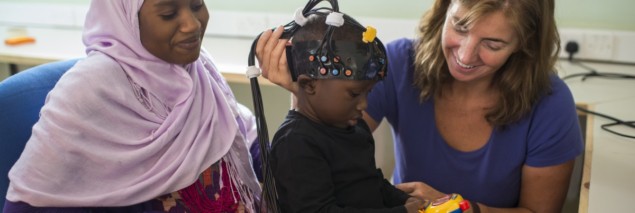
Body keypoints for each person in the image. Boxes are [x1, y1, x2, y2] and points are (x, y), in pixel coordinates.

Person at [256, 0, 584, 212]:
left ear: (525, 44)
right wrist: (300, 87)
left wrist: (460, 208)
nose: (466, 56)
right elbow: (324, 139)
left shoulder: (550, 104)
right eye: (460, 27)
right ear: (443, 11)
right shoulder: (401, 64)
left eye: (493, 43)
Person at [3, 0, 263, 212]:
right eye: (168, 13)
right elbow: (31, 203)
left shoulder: (198, 68)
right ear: (126, 19)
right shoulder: (89, 90)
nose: (192, 24)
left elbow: (247, 148)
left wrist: (299, 105)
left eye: (197, 5)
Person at [267, 11, 430, 213]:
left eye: (368, 93)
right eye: (354, 94)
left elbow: (373, 183)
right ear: (309, 85)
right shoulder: (295, 142)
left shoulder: (357, 129)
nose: (363, 104)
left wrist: (406, 201)